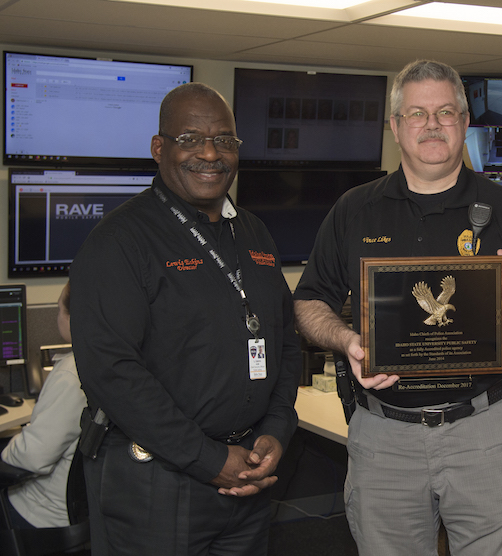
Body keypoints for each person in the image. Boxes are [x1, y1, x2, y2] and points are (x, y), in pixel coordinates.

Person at [293, 59, 502, 555]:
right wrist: (347, 340)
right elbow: (310, 301)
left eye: (445, 111)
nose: (432, 124)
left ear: (465, 122)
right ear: (396, 127)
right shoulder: (354, 209)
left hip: (484, 431)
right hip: (383, 434)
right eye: (416, 114)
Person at [70, 82, 301, 555]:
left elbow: (284, 341)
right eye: (190, 139)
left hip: (249, 476)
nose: (210, 154)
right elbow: (111, 371)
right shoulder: (120, 240)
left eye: (225, 141)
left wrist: (276, 431)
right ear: (159, 148)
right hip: (156, 480)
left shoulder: (254, 232)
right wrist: (207, 457)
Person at [1, 283, 85, 528]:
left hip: (43, 513)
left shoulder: (72, 373)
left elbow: (32, 457)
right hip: (91, 509)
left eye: (59, 310)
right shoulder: (121, 359)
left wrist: (8, 448)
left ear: (74, 318)